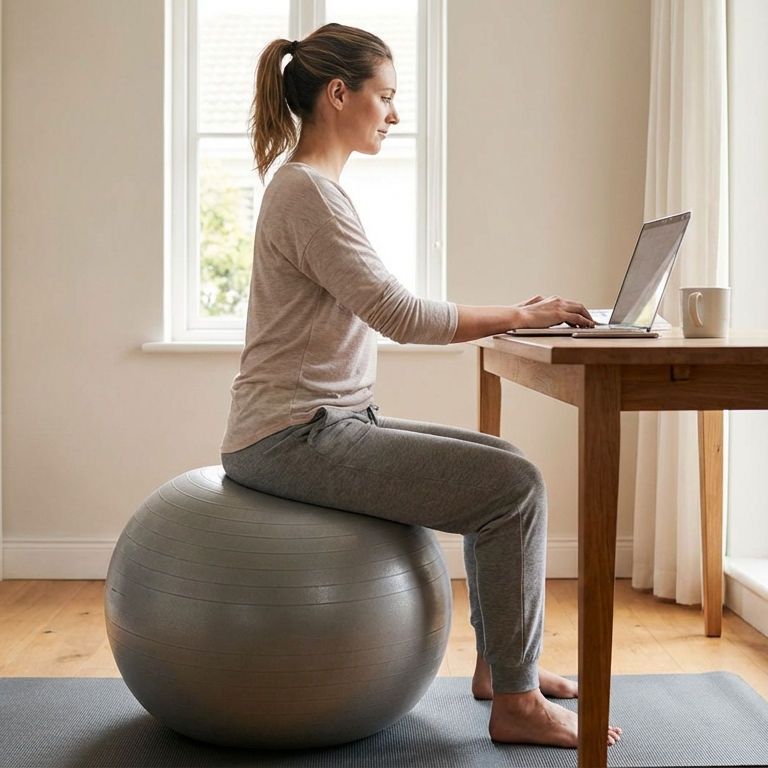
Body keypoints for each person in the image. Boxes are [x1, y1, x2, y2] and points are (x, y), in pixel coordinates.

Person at [221, 22, 621, 750]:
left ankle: (501, 672)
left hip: (329, 419)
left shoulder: (310, 188)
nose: (395, 115)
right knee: (513, 488)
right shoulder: (309, 193)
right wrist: (522, 315)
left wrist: (518, 319)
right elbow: (399, 314)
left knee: (505, 471)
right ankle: (516, 699)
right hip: (291, 435)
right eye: (387, 97)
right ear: (339, 95)